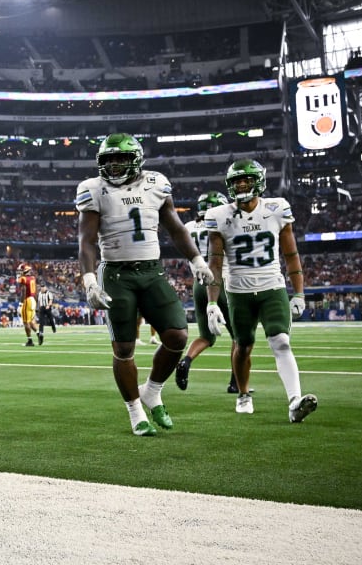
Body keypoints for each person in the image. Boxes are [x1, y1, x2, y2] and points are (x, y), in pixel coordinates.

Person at [75, 133, 215, 436]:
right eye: (108, 159)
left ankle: (152, 390)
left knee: (178, 336)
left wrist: (196, 260)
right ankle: (135, 411)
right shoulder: (93, 189)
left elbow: (175, 227)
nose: (113, 165)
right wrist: (88, 279)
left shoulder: (156, 183)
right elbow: (86, 240)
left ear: (136, 159)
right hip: (115, 273)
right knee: (123, 347)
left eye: (120, 158)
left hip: (152, 271)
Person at [204, 159, 318, 422]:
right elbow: (215, 263)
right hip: (238, 290)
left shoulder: (277, 208)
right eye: (236, 181)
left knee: (281, 341)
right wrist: (212, 302)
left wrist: (299, 292)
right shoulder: (218, 215)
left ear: (259, 181)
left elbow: (291, 253)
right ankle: (243, 394)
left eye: (247, 180)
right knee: (243, 346)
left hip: (271, 286)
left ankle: (294, 402)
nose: (242, 184)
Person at [174, 191, 237, 391]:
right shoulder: (222, 224)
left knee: (206, 336)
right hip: (221, 283)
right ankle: (236, 382)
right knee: (239, 336)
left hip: (199, 284)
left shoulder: (189, 227)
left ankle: (186, 361)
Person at [17, 263, 41, 346]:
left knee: (25, 322)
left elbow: (23, 291)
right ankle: (38, 333)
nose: (19, 272)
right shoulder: (33, 278)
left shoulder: (23, 278)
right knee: (30, 321)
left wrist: (20, 304)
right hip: (33, 300)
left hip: (27, 300)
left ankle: (30, 341)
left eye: (20, 270)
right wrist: (36, 302)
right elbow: (36, 291)